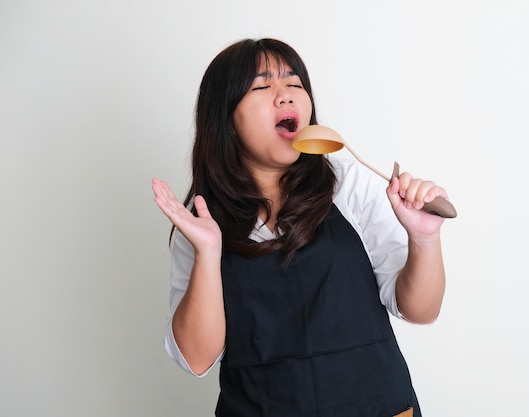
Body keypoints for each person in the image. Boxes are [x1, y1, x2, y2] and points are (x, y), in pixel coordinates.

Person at [152, 38, 450, 417]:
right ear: (225, 118)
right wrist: (209, 253)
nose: (285, 96)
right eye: (261, 86)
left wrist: (424, 238)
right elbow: (196, 359)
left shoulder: (347, 183)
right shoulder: (201, 221)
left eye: (294, 84)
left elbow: (420, 310)